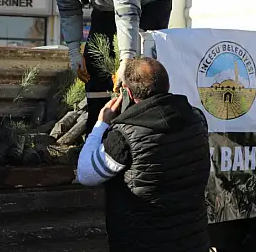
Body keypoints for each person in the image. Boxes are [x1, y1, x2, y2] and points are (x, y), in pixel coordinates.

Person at [38, 0, 174, 134]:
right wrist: (74, 50)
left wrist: (127, 59)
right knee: (94, 60)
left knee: (142, 68)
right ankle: (97, 132)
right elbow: (68, 9)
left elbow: (126, 12)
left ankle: (142, 134)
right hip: (105, 0)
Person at [76, 57, 211, 252]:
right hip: (193, 240)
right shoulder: (196, 118)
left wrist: (101, 124)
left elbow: (86, 174)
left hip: (143, 243)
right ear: (168, 85)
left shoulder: (124, 136)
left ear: (128, 92)